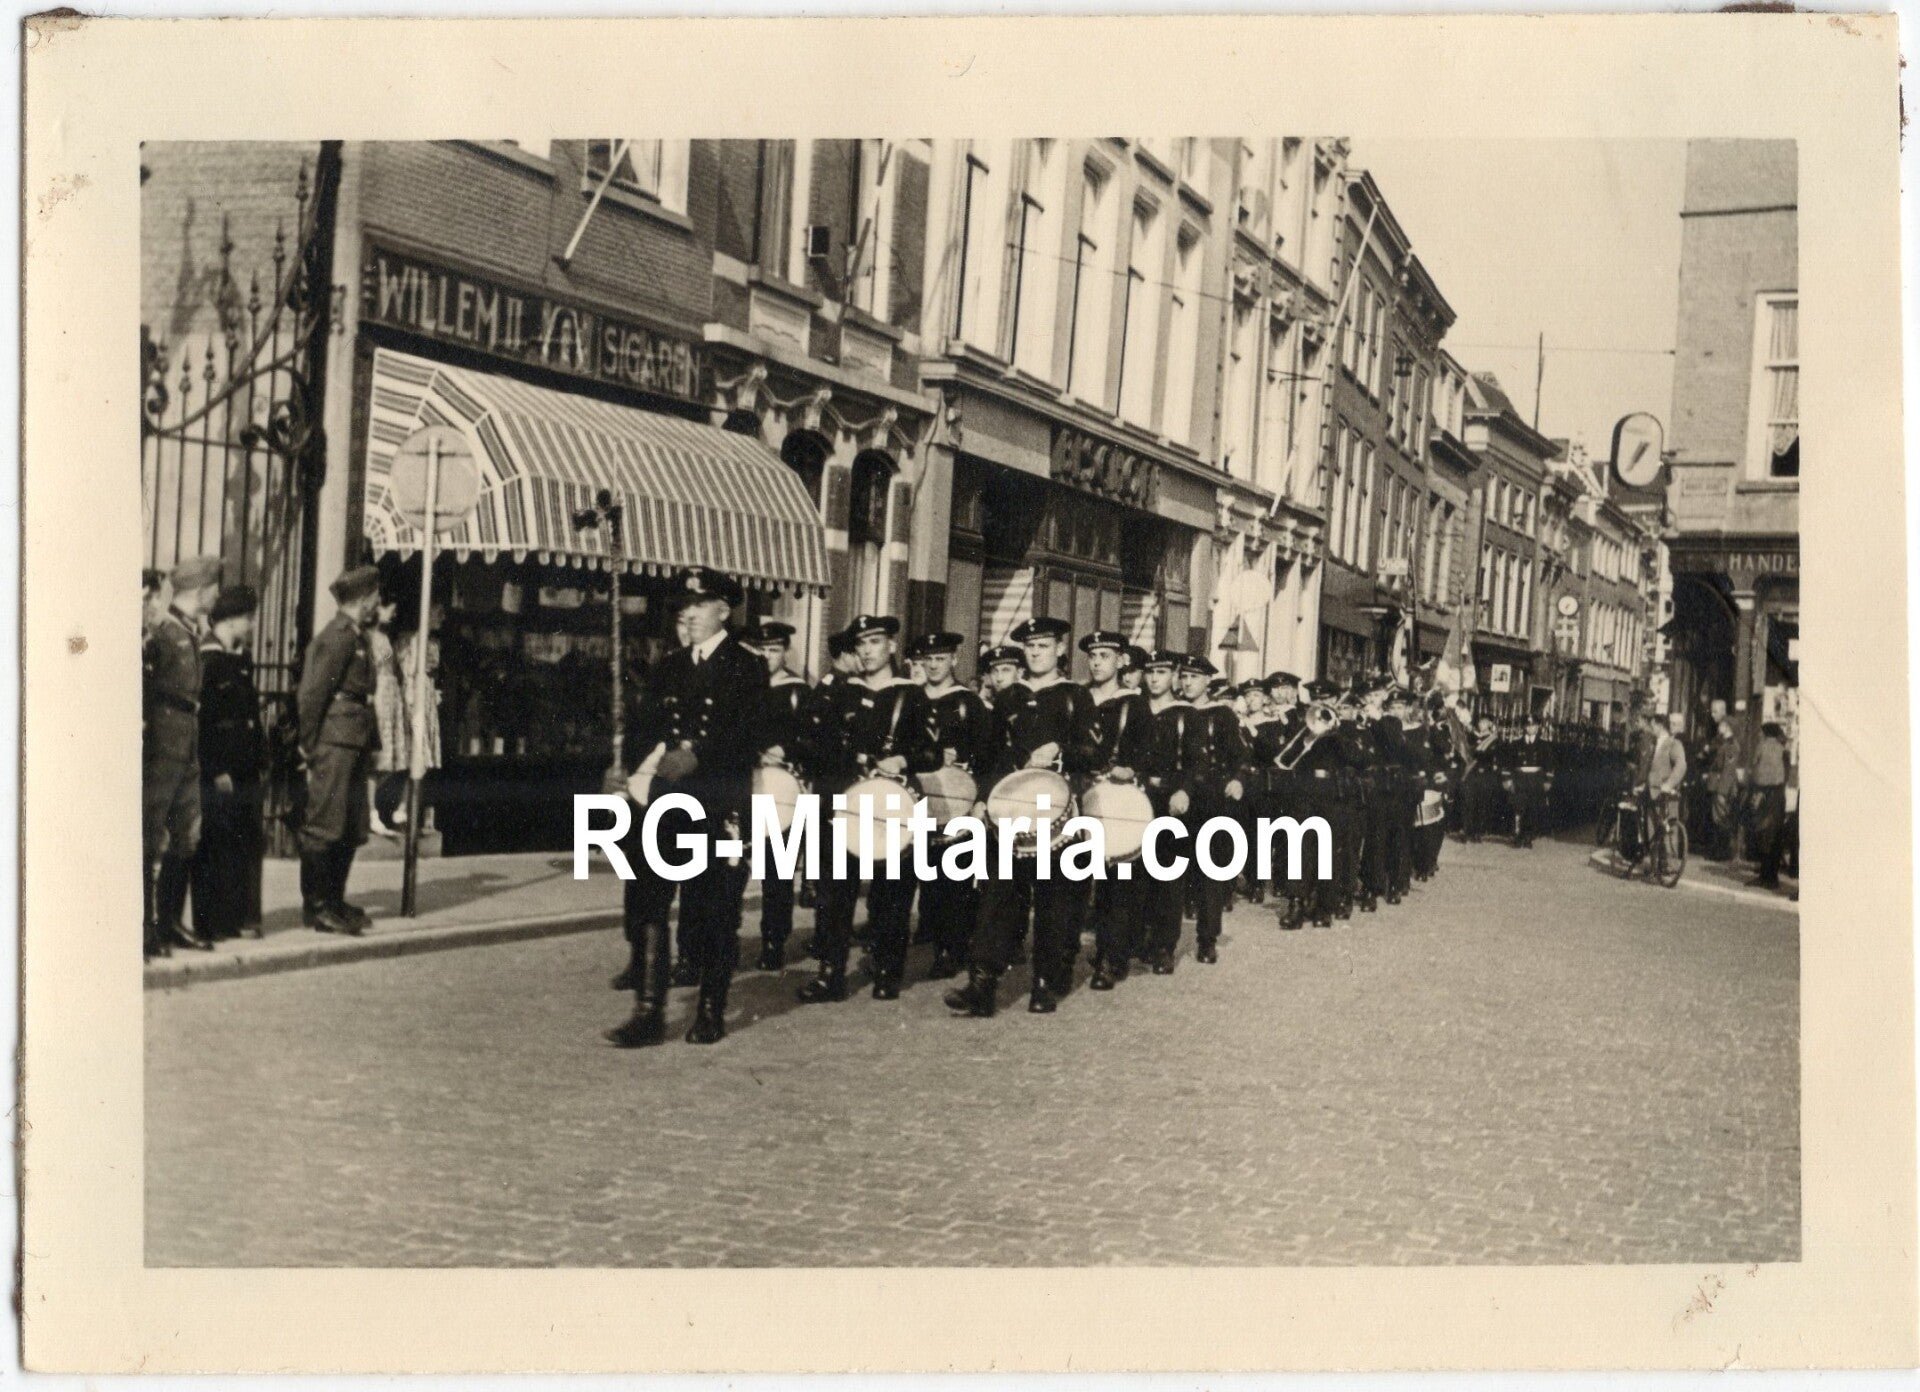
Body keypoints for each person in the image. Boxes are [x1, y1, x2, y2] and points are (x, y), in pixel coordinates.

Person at [605, 568, 767, 1048]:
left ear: (723, 610)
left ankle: (712, 1009)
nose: (689, 614)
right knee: (650, 898)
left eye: (699, 606)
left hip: (718, 804)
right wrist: (621, 765)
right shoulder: (670, 666)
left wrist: (701, 754)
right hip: (666, 801)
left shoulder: (746, 666)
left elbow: (749, 732)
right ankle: (649, 1011)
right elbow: (644, 727)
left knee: (715, 908)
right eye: (683, 608)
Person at [946, 616, 1096, 1018]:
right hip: (1010, 813)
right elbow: (991, 755)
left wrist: (1059, 750)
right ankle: (982, 984)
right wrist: (980, 799)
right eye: (1029, 646)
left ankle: (1044, 983)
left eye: (1043, 646)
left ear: (1060, 650)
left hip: (1058, 819)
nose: (1035, 652)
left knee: (1053, 902)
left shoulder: (1075, 697)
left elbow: (1093, 752)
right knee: (997, 898)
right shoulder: (1009, 696)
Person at [797, 614, 938, 1004]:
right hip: (845, 807)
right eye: (860, 645)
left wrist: (904, 761)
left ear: (891, 646)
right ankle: (831, 974)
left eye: (875, 642)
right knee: (834, 895)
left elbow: (933, 751)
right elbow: (813, 742)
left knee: (891, 895)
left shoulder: (911, 695)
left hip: (893, 807)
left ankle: (888, 972)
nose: (867, 651)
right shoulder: (840, 692)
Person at [296, 564, 385, 937]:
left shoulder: (357, 636)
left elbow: (364, 697)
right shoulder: (337, 637)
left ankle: (334, 900)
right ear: (364, 599)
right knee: (325, 824)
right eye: (376, 597)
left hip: (353, 740)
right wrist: (310, 744)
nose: (379, 603)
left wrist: (373, 742)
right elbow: (313, 694)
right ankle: (317, 907)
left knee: (350, 826)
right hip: (334, 741)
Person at [144, 555, 221, 957]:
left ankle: (171, 922)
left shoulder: (191, 630)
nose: (217, 595)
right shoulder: (161, 631)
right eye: (214, 588)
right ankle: (145, 928)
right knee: (150, 834)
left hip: (186, 743)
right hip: (163, 741)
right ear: (200, 590)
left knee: (187, 834)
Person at [912, 630, 992, 981]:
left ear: (954, 661)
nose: (933, 666)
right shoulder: (912, 698)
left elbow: (988, 754)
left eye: (940, 659)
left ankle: (951, 947)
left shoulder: (968, 703)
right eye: (928, 660)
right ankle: (929, 933)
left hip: (957, 799)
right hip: (919, 798)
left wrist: (980, 800)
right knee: (924, 871)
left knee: (954, 878)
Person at [191, 583, 265, 942]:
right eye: (248, 619)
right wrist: (216, 767)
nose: (251, 626)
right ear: (233, 621)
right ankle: (211, 921)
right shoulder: (209, 661)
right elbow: (204, 723)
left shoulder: (237, 660)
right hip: (220, 770)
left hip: (244, 768)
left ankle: (234, 916)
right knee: (214, 843)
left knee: (240, 841)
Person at [1079, 630, 1153, 989]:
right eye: (1092, 656)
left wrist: (1132, 767)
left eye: (1105, 656)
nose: (1096, 662)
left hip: (1117, 796)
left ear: (1120, 661)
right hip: (1080, 795)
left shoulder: (1133, 703)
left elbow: (1149, 748)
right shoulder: (1078, 698)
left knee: (1117, 882)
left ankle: (1112, 957)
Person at [1136, 650, 1215, 961]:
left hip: (1172, 801)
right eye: (1150, 672)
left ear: (1173, 677)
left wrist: (1184, 790)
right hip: (1137, 797)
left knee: (1168, 874)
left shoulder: (1187, 715)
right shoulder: (1137, 709)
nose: (1155, 679)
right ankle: (1136, 938)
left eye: (1162, 672)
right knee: (1136, 872)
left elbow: (1199, 763)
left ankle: (1164, 945)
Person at [745, 620, 811, 970]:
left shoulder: (797, 691)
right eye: (760, 650)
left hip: (783, 789)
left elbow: (812, 739)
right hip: (747, 786)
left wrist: (787, 749)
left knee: (777, 870)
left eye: (773, 650)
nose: (766, 656)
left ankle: (774, 940)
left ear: (785, 652)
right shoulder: (742, 688)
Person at [1178, 654, 1244, 962]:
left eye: (1194, 677)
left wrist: (1238, 780)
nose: (1187, 683)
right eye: (1184, 677)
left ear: (1207, 682)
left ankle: (1207, 938)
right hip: (1179, 798)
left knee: (1210, 870)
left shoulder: (1222, 715)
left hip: (1213, 799)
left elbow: (1239, 758)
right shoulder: (1176, 711)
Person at [1747, 721, 1792, 888]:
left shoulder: (1762, 746)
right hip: (1779, 795)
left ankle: (1764, 876)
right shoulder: (1783, 749)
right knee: (1775, 835)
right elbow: (1787, 773)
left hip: (1763, 794)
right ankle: (1772, 877)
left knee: (1762, 833)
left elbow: (1752, 768)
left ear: (1766, 733)